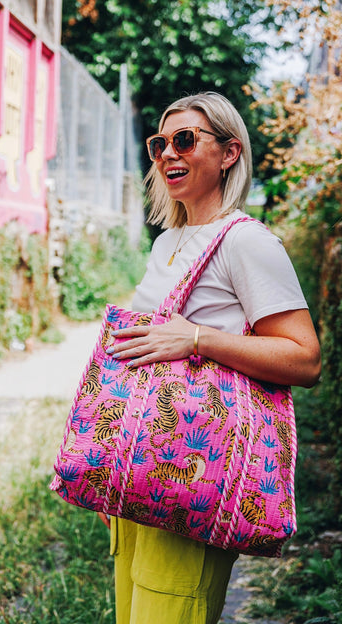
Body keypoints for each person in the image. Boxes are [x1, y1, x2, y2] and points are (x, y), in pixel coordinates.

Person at [98, 91, 321, 624]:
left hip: (194, 475)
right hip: (144, 466)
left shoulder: (247, 243)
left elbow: (305, 358)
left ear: (229, 153)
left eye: (185, 140)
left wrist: (197, 339)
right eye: (159, 143)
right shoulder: (167, 241)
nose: (168, 154)